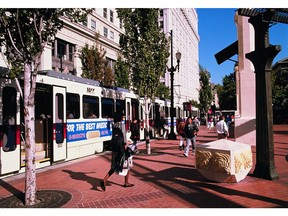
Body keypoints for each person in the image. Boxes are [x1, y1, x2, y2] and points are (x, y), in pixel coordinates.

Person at [100, 112, 134, 191]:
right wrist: (125, 144)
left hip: (115, 148)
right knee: (127, 163)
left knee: (114, 165)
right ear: (120, 117)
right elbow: (124, 135)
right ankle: (126, 182)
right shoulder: (121, 125)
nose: (123, 117)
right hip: (121, 148)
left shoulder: (114, 125)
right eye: (122, 116)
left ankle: (104, 179)